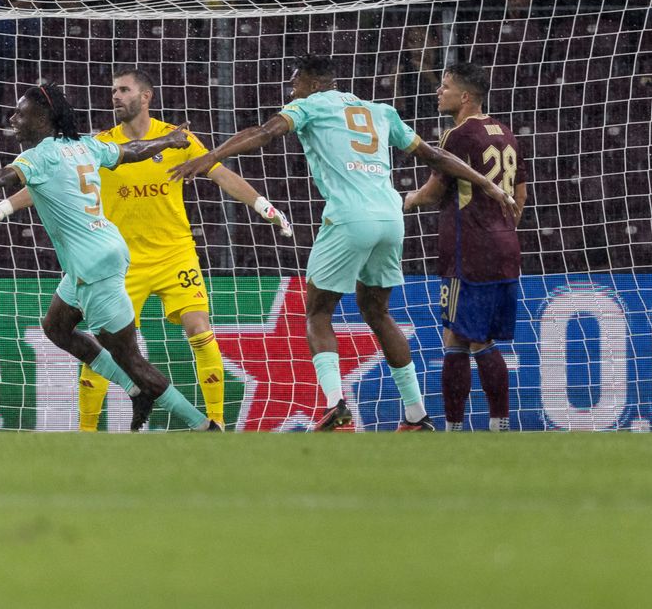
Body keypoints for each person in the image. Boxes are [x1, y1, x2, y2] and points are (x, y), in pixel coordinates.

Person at [168, 55, 519, 432]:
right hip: (391, 216)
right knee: (378, 312)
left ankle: (336, 406)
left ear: (314, 83)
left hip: (350, 217)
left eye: (295, 83)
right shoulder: (379, 110)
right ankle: (416, 413)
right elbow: (434, 155)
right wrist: (485, 182)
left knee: (318, 313)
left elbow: (265, 132)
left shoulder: (309, 105)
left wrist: (211, 156)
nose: (291, 91)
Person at [0, 69, 292, 431]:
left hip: (174, 253)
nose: (115, 96)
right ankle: (88, 431)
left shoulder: (175, 137)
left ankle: (215, 422)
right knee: (111, 349)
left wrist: (265, 206)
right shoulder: (97, 143)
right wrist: (2, 208)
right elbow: (44, 181)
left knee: (199, 330)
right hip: (122, 261)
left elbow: (220, 173)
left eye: (124, 90)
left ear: (146, 96)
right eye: (113, 91)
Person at [0, 83, 218, 432]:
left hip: (92, 264)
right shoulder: (83, 146)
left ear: (43, 117)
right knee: (56, 326)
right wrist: (169, 141)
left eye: (20, 113)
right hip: (101, 252)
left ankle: (202, 426)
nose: (13, 119)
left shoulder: (40, 156)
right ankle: (133, 388)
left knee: (131, 360)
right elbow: (133, 149)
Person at [404, 62, 527, 431]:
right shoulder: (505, 133)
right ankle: (491, 423)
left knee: (467, 337)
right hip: (504, 246)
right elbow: (520, 193)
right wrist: (502, 226)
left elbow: (433, 191)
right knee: (468, 335)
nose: (438, 92)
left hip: (468, 250)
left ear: (466, 96)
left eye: (445, 87)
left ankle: (463, 425)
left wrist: (405, 201)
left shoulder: (456, 136)